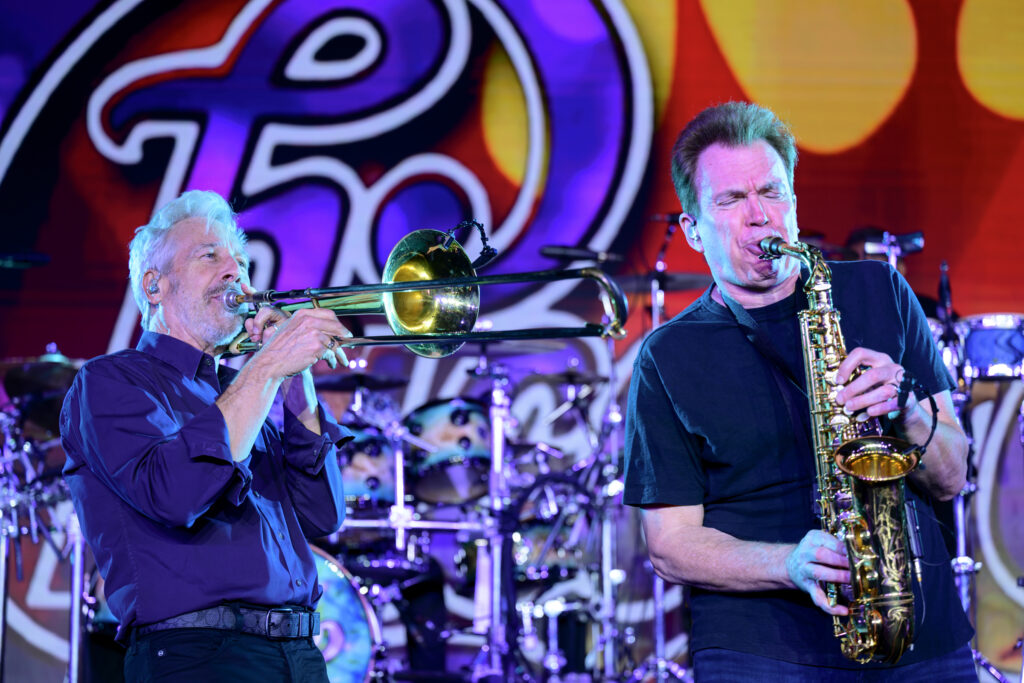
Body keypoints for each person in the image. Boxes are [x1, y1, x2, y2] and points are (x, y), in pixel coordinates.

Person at [623, 102, 976, 681]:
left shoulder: (880, 289)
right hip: (761, 650)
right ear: (691, 229)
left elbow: (952, 475)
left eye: (772, 192)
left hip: (921, 633)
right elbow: (669, 544)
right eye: (731, 200)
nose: (759, 217)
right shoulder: (667, 356)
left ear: (794, 201)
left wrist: (908, 411)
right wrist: (787, 563)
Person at [60, 190, 352, 682]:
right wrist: (268, 367)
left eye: (240, 260)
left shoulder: (241, 392)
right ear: (155, 286)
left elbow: (323, 516)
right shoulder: (110, 382)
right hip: (198, 656)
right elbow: (175, 495)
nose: (234, 270)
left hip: (299, 655)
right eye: (210, 255)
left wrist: (295, 384)